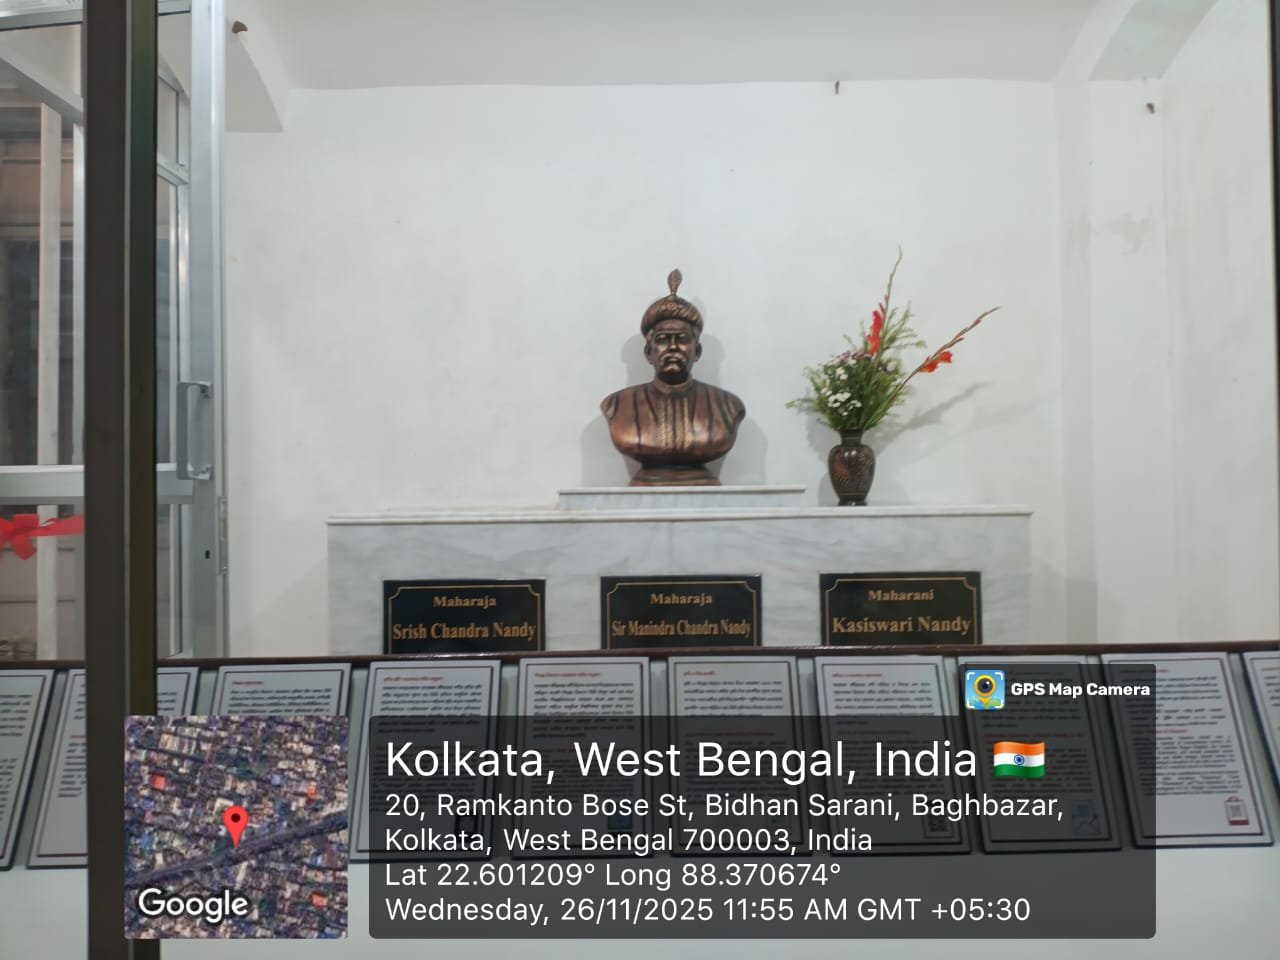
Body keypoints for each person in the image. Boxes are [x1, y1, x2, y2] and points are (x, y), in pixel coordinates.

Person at [601, 270, 746, 485]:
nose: (673, 347)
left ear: (697, 352)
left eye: (682, 339)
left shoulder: (728, 406)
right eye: (663, 339)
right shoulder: (617, 405)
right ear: (648, 353)